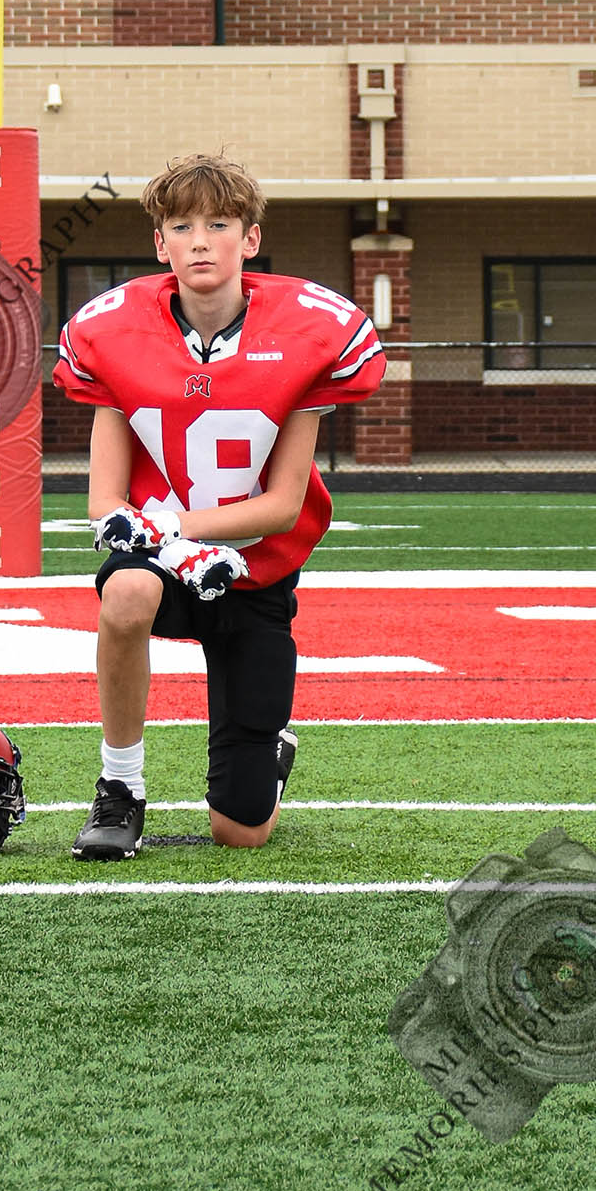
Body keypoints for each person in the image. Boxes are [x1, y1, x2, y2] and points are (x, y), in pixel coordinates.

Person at [52, 151, 387, 861]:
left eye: (219, 224)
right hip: (160, 563)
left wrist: (175, 526)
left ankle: (267, 755)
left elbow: (282, 506)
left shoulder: (308, 333)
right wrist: (172, 547)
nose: (199, 241)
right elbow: (105, 499)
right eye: (181, 227)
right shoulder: (113, 332)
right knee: (126, 593)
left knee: (241, 833)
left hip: (255, 574)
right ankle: (120, 787)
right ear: (160, 244)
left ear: (250, 238)